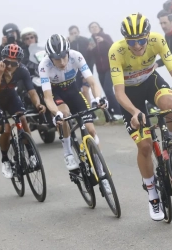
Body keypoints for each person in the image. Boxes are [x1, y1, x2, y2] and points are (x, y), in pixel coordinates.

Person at [108, 13, 172, 221]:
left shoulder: (157, 40)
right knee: (145, 145)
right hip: (129, 95)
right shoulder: (116, 51)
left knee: (171, 105)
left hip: (151, 82)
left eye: (142, 40)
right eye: (132, 41)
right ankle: (152, 193)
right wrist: (134, 112)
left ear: (148, 36)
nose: (138, 45)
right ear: (126, 40)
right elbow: (119, 93)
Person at [38, 34, 109, 179]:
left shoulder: (76, 56)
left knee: (91, 130)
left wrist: (97, 98)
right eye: (57, 59)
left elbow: (93, 82)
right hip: (56, 95)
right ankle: (68, 153)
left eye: (64, 57)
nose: (62, 62)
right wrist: (55, 112)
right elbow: (47, 97)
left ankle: (101, 170)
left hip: (73, 91)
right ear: (50, 57)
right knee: (64, 114)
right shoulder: (44, 66)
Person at [0, 44, 46, 178]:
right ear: (2, 60)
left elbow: (32, 91)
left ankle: (31, 154)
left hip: (11, 97)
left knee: (23, 119)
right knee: (6, 130)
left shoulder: (22, 70)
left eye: (14, 63)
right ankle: (5, 159)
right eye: (7, 62)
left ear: (19, 63)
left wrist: (38, 104)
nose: (10, 66)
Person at [88, 22, 122, 122]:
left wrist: (103, 41)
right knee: (105, 91)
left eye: (95, 27)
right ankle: (110, 113)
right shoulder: (91, 40)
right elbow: (90, 57)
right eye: (91, 27)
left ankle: (119, 112)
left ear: (99, 28)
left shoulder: (106, 36)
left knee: (108, 89)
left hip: (110, 67)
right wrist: (89, 49)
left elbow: (113, 47)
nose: (94, 29)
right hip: (100, 70)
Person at [68, 25, 97, 120]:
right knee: (77, 92)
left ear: (78, 32)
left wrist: (89, 71)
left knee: (85, 91)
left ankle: (90, 113)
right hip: (74, 71)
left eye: (75, 33)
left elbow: (91, 56)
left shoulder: (85, 40)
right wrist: (68, 41)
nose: (74, 35)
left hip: (85, 69)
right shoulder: (68, 43)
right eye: (72, 33)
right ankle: (79, 113)